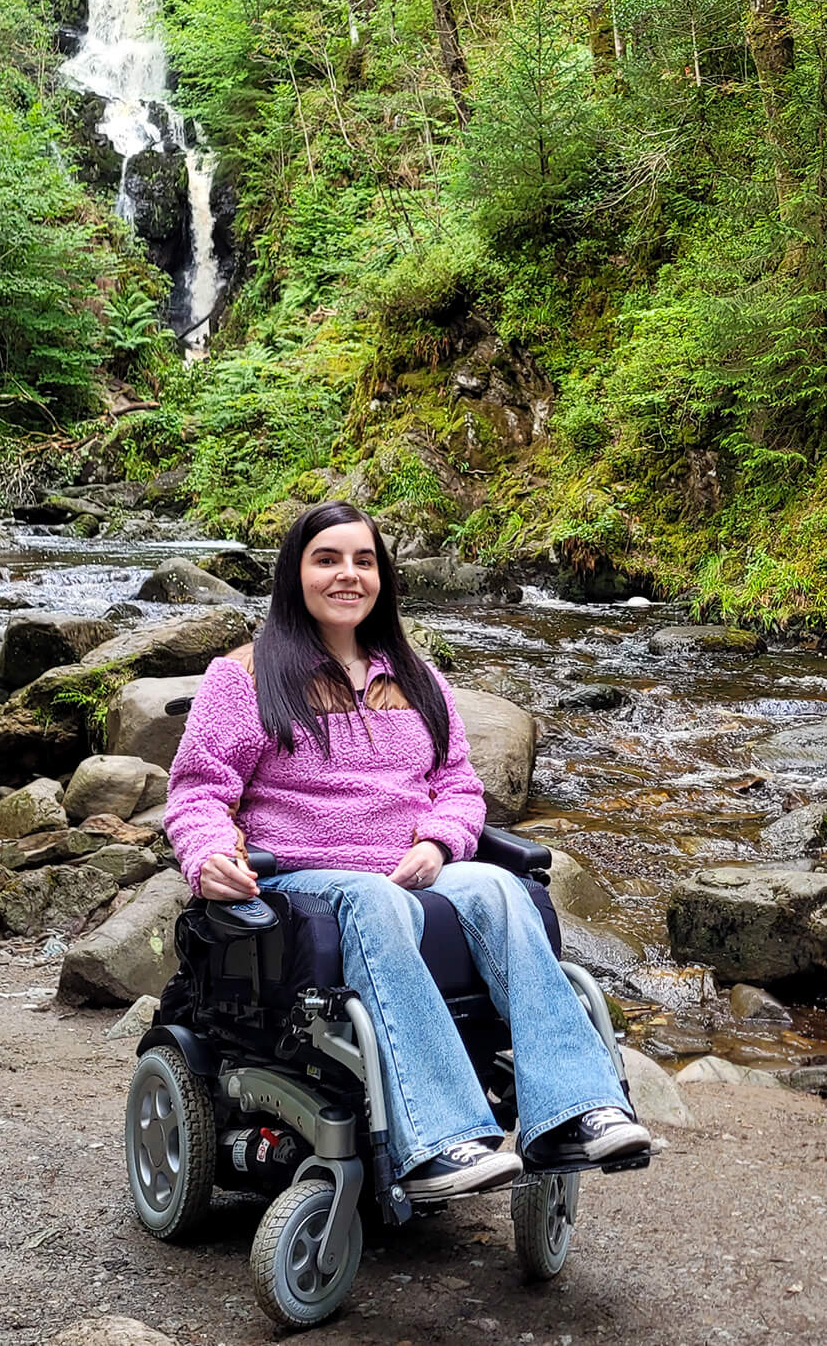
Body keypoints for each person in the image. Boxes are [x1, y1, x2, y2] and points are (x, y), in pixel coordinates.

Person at [163, 501, 651, 1201]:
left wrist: (438, 840)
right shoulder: (244, 677)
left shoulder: (416, 678)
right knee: (374, 899)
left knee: (501, 889)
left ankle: (574, 1112)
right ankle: (440, 1142)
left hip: (412, 869)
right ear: (294, 573)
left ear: (383, 576)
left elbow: (459, 787)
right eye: (327, 559)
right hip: (303, 878)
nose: (347, 575)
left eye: (363, 561)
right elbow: (197, 794)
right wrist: (207, 854)